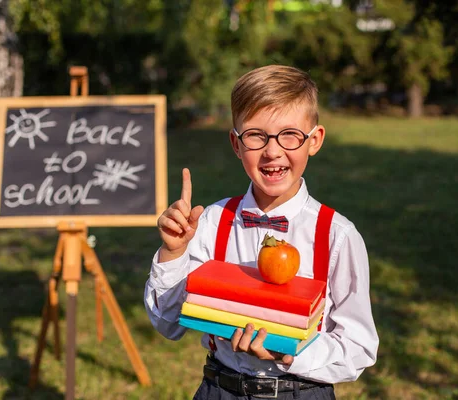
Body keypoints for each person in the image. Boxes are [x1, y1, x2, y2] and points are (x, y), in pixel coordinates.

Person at [144, 65, 378, 399]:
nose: (272, 151)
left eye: (290, 134)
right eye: (256, 135)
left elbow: (358, 347)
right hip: (219, 389)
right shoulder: (211, 222)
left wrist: (289, 354)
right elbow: (168, 323)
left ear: (315, 140)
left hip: (301, 391)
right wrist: (174, 252)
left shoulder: (336, 235)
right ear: (236, 144)